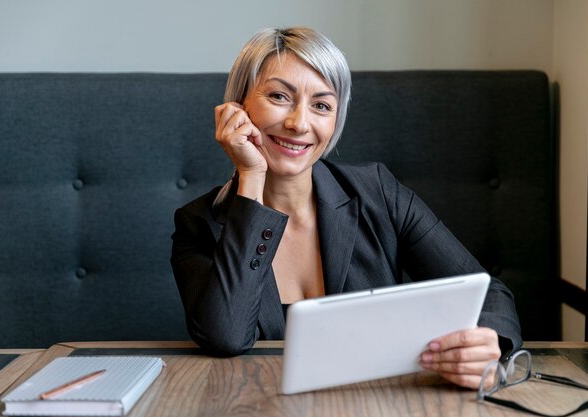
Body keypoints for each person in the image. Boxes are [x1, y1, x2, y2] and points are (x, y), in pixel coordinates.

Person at [170, 27, 522, 390]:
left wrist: (490, 342)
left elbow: (489, 291)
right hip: (259, 403)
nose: (299, 123)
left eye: (321, 105)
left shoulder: (378, 193)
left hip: (377, 403)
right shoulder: (198, 225)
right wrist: (251, 176)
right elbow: (225, 336)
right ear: (238, 106)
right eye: (278, 96)